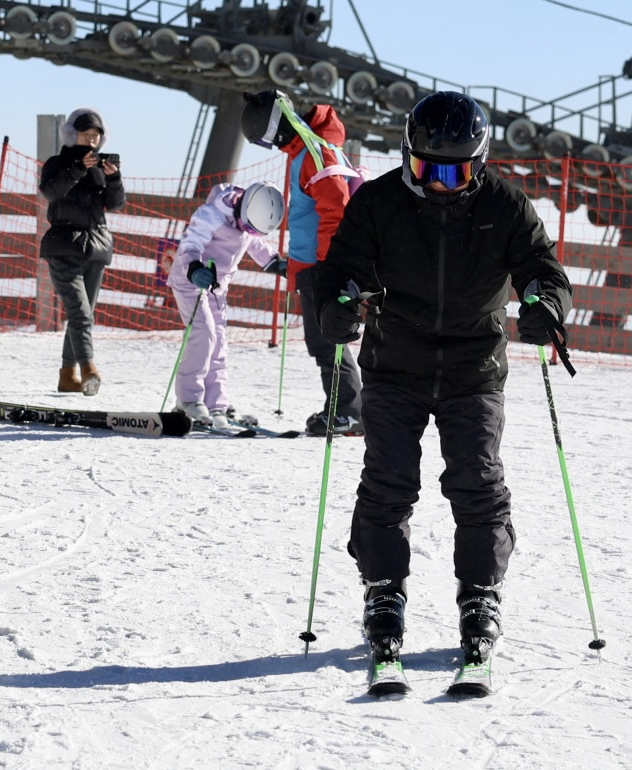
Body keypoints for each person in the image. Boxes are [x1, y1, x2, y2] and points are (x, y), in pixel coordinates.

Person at [313, 90, 573, 669]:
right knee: (388, 484)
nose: (439, 182)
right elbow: (342, 267)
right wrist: (335, 302)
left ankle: (480, 594)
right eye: (425, 167)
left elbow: (543, 270)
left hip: (473, 366)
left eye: (456, 171)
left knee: (478, 484)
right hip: (394, 361)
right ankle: (383, 590)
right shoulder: (379, 201)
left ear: (479, 164)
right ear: (408, 156)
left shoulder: (506, 205)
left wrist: (544, 304)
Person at [241, 90, 364, 435]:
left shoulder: (313, 152)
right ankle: (341, 408)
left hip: (323, 267)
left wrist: (329, 266)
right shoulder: (305, 151)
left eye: (265, 140)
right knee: (322, 341)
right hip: (313, 265)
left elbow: (336, 208)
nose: (270, 147)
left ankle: (348, 412)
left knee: (328, 341)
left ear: (274, 130)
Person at [168, 182, 289, 427]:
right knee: (204, 333)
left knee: (219, 342)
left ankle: (217, 406)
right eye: (247, 226)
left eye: (252, 229)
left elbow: (256, 245)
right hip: (191, 280)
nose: (247, 231)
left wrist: (277, 263)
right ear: (243, 209)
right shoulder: (212, 214)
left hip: (216, 288)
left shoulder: (248, 225)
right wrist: (194, 268)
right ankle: (188, 399)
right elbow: (190, 244)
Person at [39, 108, 125, 395]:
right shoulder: (56, 163)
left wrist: (114, 179)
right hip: (63, 245)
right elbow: (51, 192)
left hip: (96, 246)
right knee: (79, 312)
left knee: (83, 314)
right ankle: (89, 369)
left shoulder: (100, 169)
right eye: (86, 135)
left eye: (96, 137)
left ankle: (67, 375)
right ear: (71, 134)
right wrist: (78, 169)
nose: (91, 142)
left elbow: (114, 204)